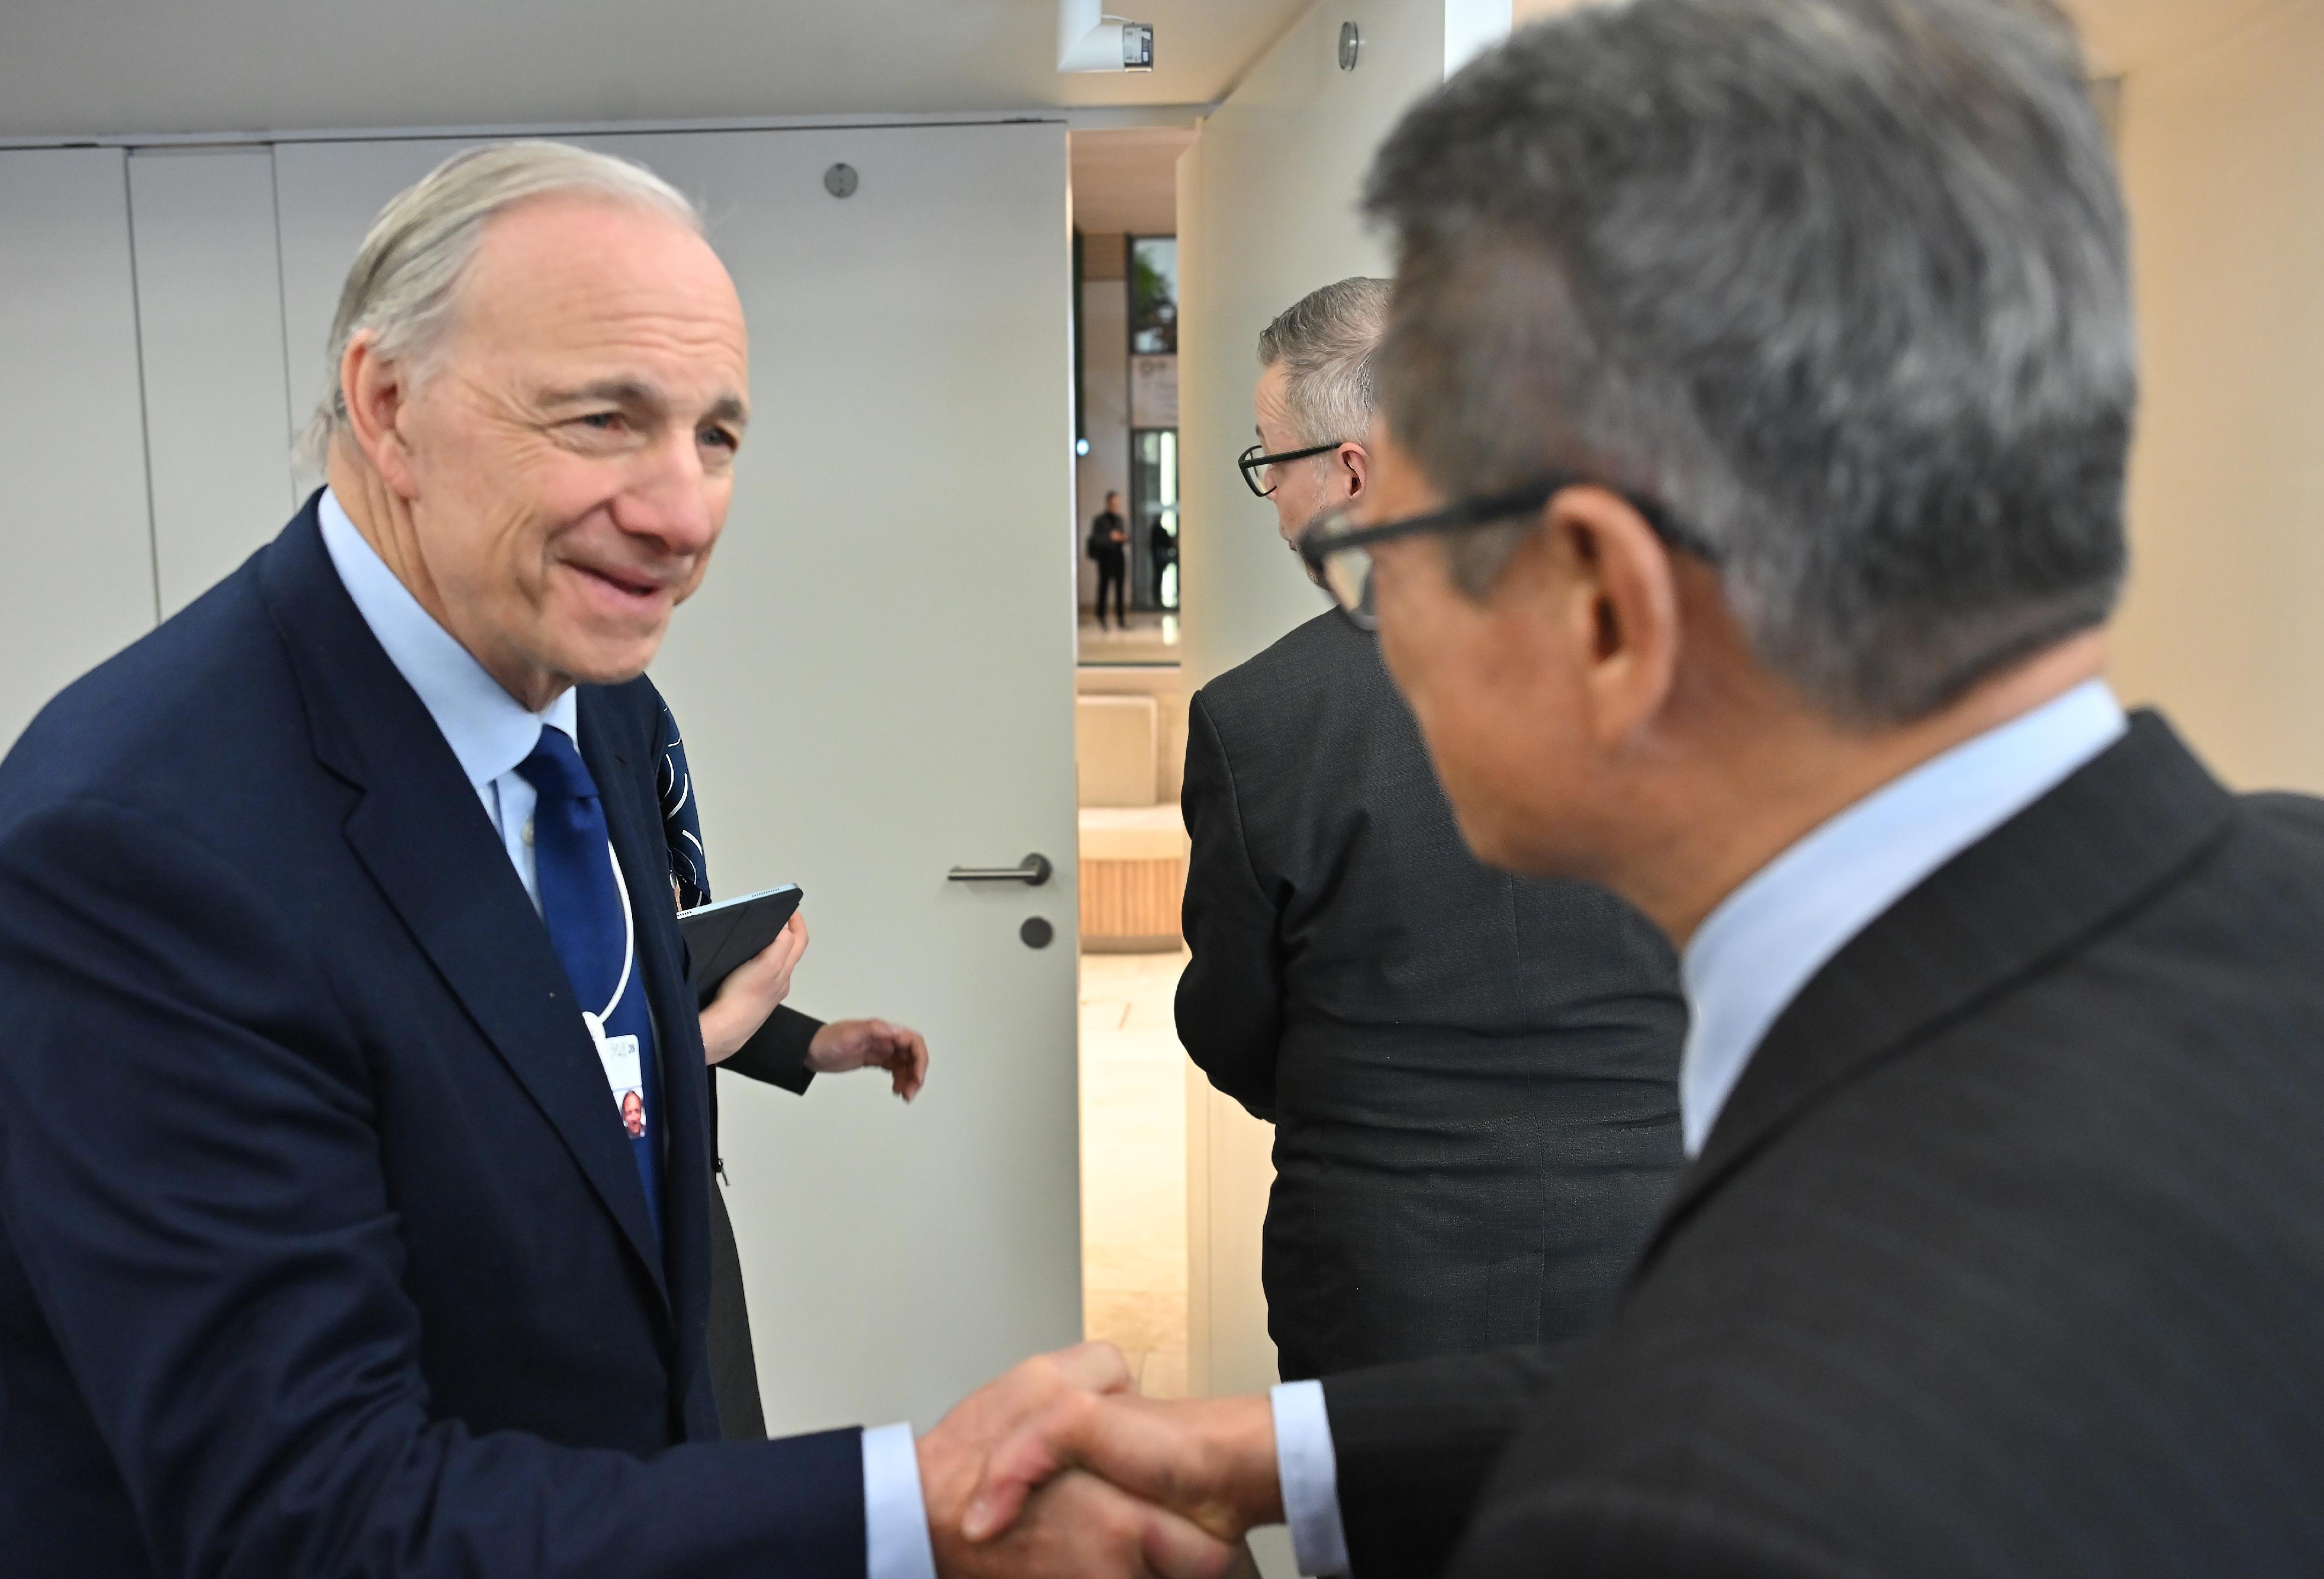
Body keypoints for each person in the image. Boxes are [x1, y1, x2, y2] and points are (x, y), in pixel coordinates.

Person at [958, 2, 2324, 1574]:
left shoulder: (1662, 1508)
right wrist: (1277, 1450)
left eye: (1406, 550)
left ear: (1600, 598)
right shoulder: (2280, 902)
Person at [0, 139, 1231, 1579]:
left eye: (718, 436)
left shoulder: (594, 704)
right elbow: (305, 1517)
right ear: (389, 406)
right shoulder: (134, 845)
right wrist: (903, 1511)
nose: (685, 514)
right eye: (606, 420)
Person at [1185, 276, 1683, 1379]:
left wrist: (1363, 1088)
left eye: (1271, 464)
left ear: (1352, 474)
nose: (1270, 506)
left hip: (1385, 1279)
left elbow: (1230, 1026)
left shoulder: (1258, 720)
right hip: (1655, 1256)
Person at [651, 698, 934, 1442]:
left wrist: (807, 1042)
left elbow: (656, 981)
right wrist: (701, 1040)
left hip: (683, 1188)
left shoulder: (630, 713)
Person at [1089, 490, 1129, 628]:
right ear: (1108, 502)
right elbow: (1095, 539)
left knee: (1120, 589)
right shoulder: (1099, 521)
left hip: (1118, 557)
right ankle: (1101, 617)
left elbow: (1125, 537)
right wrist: (1110, 537)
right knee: (1104, 587)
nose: (1116, 505)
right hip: (1106, 558)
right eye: (1113, 502)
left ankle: (1121, 619)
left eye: (1117, 503)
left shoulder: (1120, 519)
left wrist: (1122, 538)